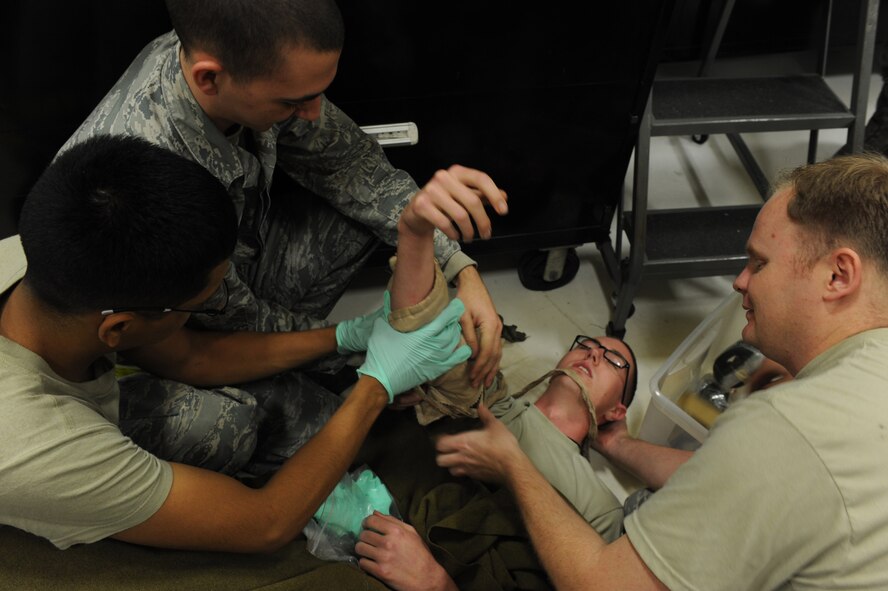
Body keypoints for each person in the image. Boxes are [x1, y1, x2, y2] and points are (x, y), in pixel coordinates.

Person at [59, 0, 506, 473]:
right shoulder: (147, 183)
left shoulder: (236, 60)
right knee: (320, 440)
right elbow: (209, 337)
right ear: (210, 78)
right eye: (292, 103)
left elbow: (354, 166)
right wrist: (360, 357)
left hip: (223, 289)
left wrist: (462, 269)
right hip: (169, 341)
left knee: (364, 214)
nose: (311, 115)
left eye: (315, 94)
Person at [434, 153, 888, 589]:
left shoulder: (785, 428)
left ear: (838, 275)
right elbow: (722, 477)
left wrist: (513, 466)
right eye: (588, 346)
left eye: (759, 263)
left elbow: (604, 584)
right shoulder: (830, 413)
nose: (740, 281)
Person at [0, 135, 470, 552]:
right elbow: (262, 526)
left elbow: (191, 356)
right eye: (201, 305)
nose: (213, 307)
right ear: (118, 329)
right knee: (227, 427)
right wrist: (377, 385)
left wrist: (344, 335)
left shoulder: (48, 256)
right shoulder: (39, 445)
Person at [349, 185, 638, 590]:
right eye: (587, 345)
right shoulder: (490, 394)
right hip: (384, 504)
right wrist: (418, 231)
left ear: (615, 413)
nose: (593, 355)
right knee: (445, 331)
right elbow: (418, 323)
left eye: (614, 361)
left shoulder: (603, 509)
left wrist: (439, 584)